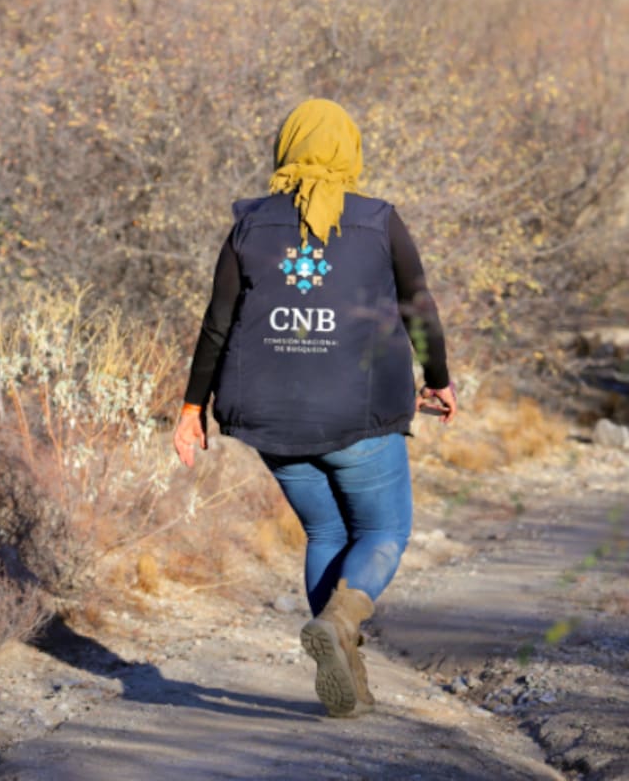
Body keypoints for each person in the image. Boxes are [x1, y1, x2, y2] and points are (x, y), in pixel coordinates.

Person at [172, 99, 457, 718]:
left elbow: (218, 324)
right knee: (383, 530)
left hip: (271, 420)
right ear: (347, 149)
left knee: (327, 529)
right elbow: (419, 305)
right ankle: (345, 618)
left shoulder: (249, 224)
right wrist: (439, 379)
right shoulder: (378, 221)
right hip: (359, 419)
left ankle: (346, 669)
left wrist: (192, 407)